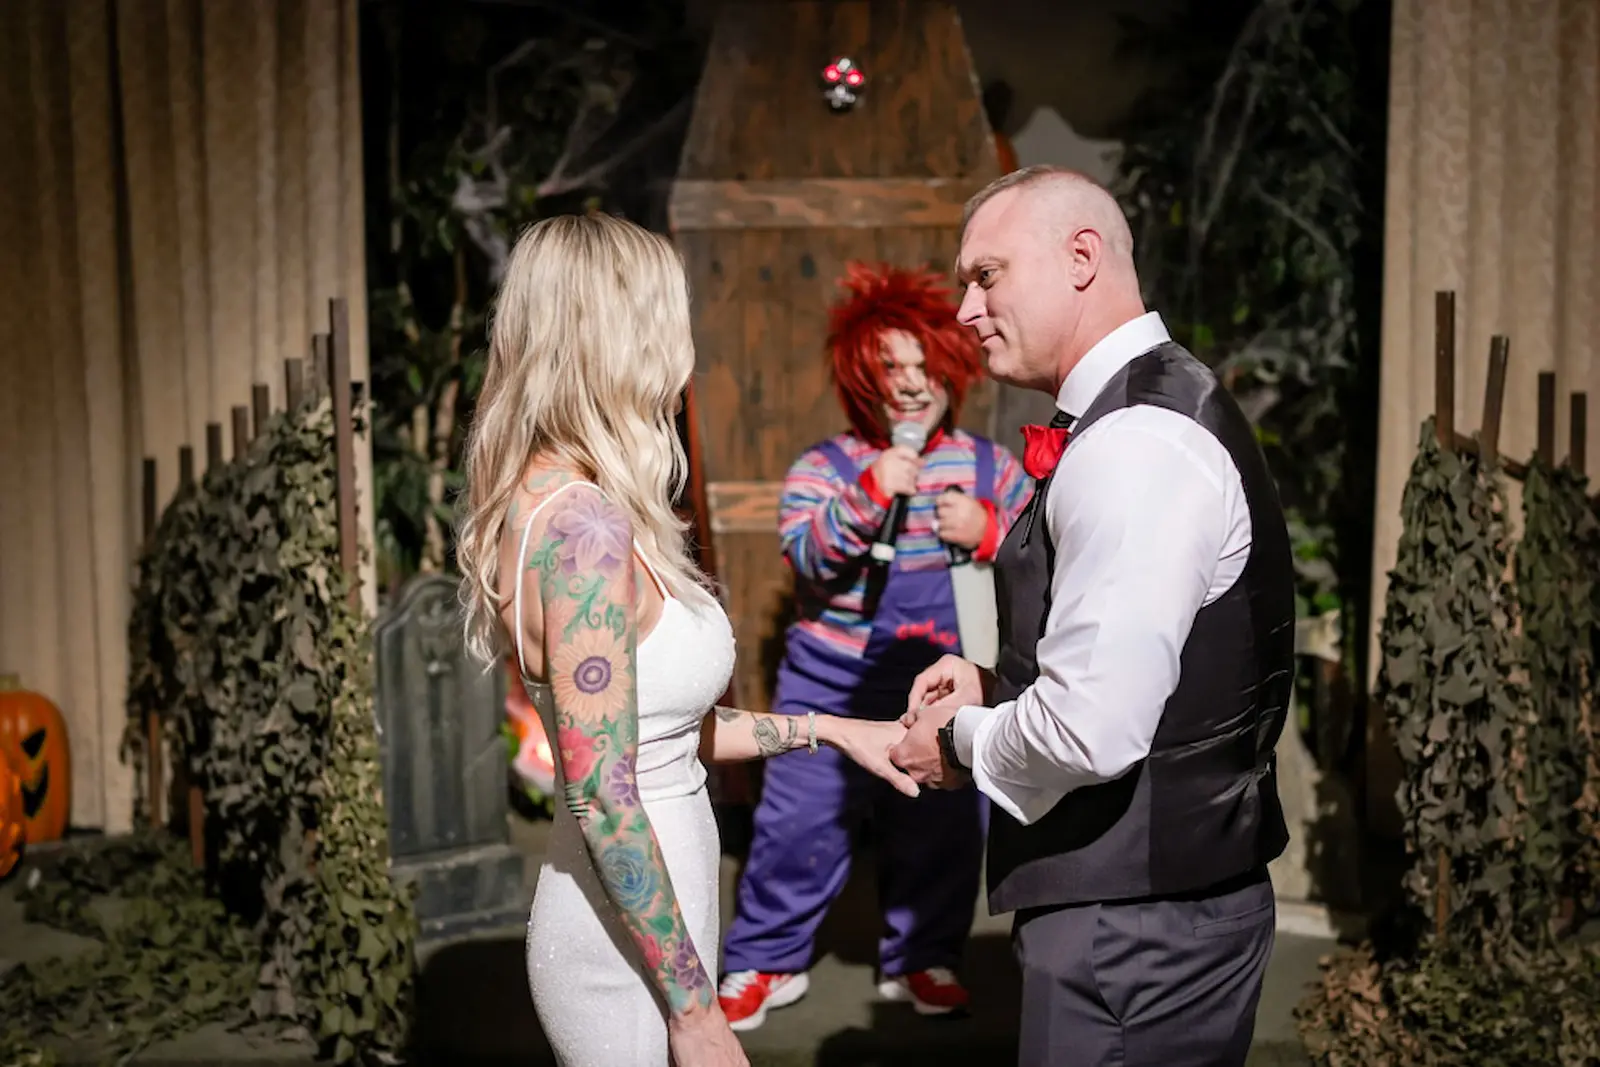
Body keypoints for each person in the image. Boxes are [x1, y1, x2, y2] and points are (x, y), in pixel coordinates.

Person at [456, 213, 920, 1067]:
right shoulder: (583, 532)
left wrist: (835, 730)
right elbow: (605, 792)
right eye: (670, 321)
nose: (685, 351)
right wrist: (697, 1009)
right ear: (619, 337)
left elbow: (655, 734)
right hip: (624, 943)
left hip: (650, 917)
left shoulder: (576, 501)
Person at [890, 165, 1295, 1066]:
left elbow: (1090, 731)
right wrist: (1000, 682)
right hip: (1148, 917)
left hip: (1137, 933)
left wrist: (960, 738)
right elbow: (1151, 668)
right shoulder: (1140, 416)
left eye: (985, 274)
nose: (964, 308)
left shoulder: (1137, 444)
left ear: (1081, 258)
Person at [716, 263, 1033, 1030]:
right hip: (827, 680)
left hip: (939, 685)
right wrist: (871, 492)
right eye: (892, 367)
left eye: (926, 365)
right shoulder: (823, 468)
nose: (912, 384)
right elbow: (811, 559)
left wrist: (988, 531)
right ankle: (765, 959)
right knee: (798, 824)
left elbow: (1041, 557)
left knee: (943, 827)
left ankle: (924, 955)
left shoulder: (991, 466)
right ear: (862, 375)